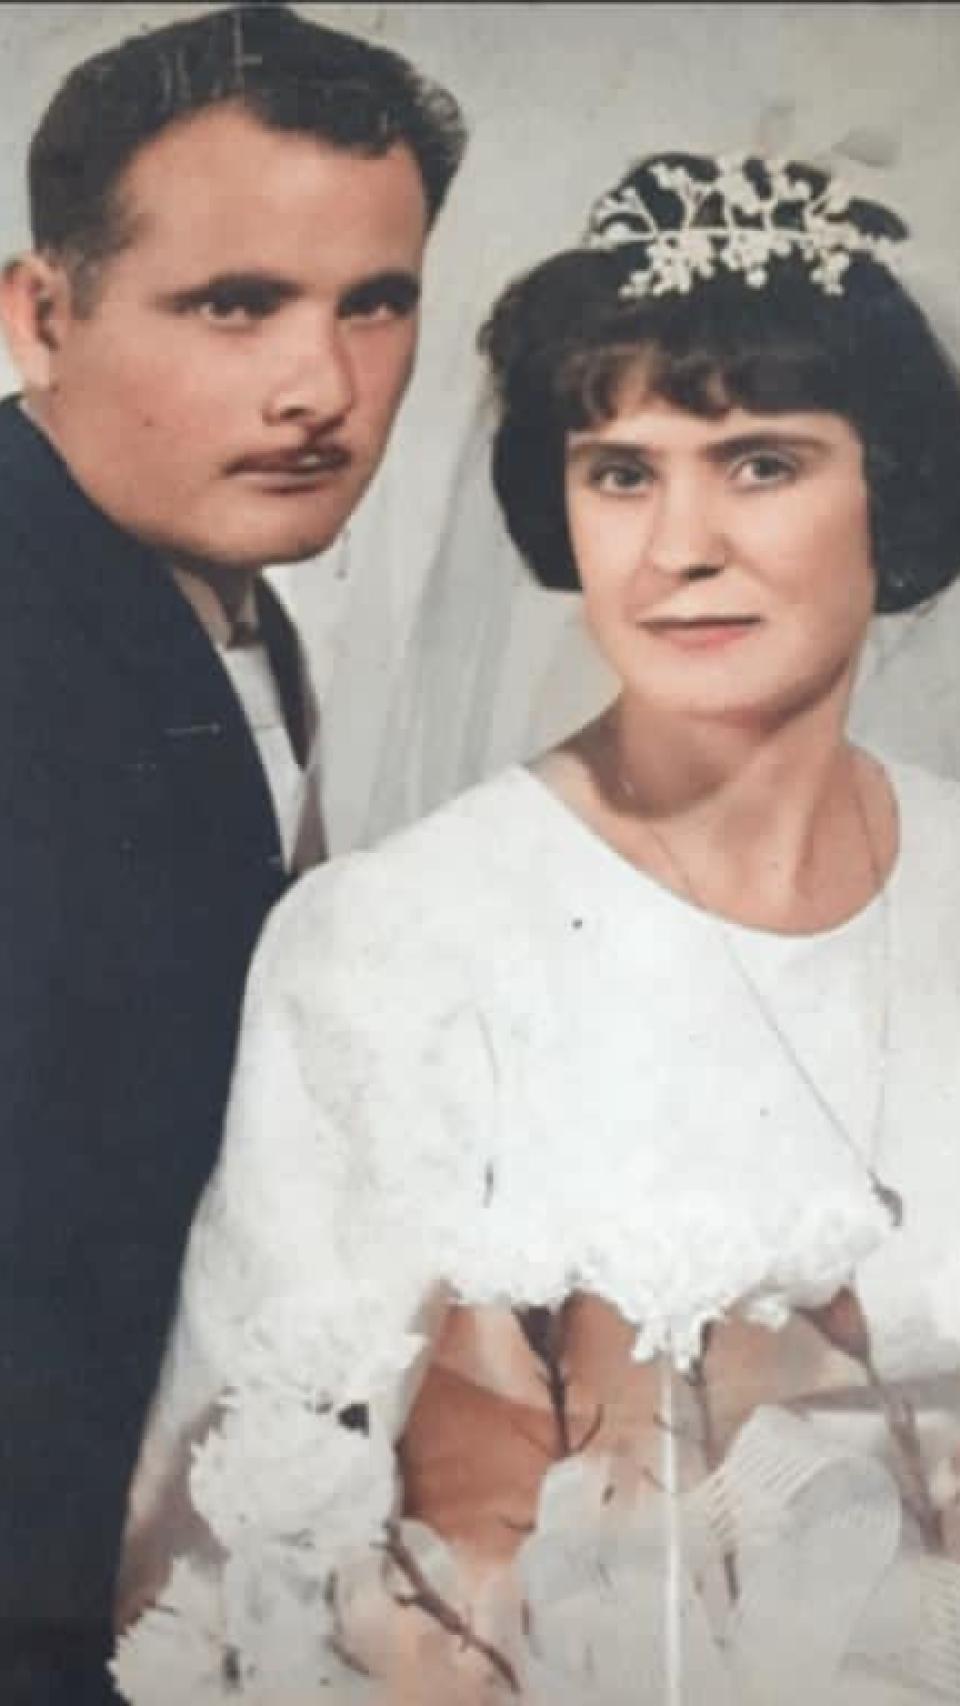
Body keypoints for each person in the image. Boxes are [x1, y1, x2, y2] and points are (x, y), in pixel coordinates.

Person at [116, 152, 960, 1703]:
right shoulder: (394, 945)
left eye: (762, 463)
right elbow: (237, 1568)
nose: (678, 543)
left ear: (890, 490)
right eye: (622, 471)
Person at [0, 6, 465, 1701]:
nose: (319, 389)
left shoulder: (229, 607)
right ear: (40, 313)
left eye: (377, 303)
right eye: (234, 304)